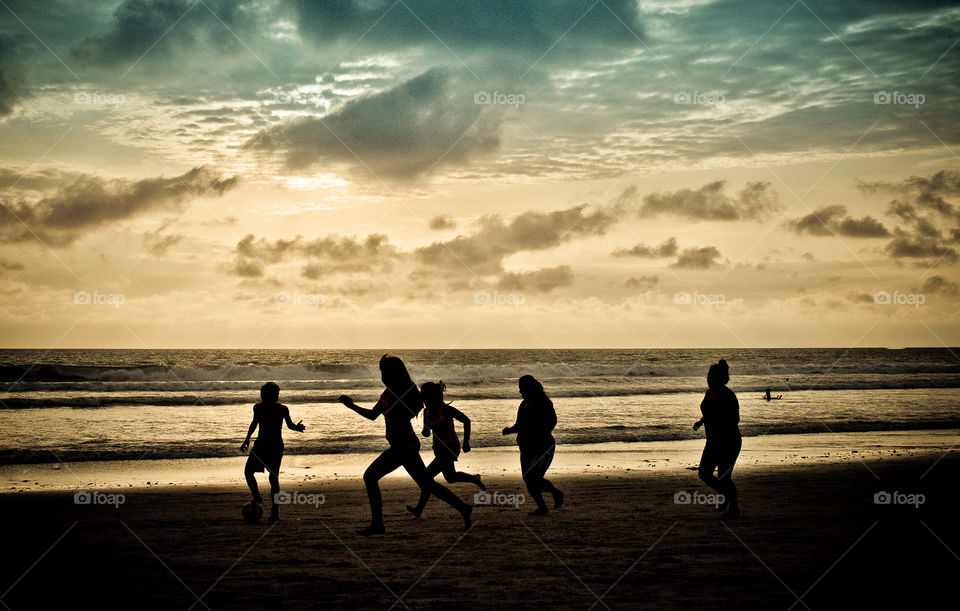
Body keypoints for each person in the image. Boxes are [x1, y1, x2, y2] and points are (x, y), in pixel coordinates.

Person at [338, 355, 473, 535]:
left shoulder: (408, 390)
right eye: (381, 371)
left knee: (370, 477)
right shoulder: (387, 393)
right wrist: (351, 405)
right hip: (400, 444)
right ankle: (463, 508)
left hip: (404, 444)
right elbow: (372, 415)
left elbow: (415, 409)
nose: (382, 375)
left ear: (394, 373)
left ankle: (378, 524)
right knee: (427, 484)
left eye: (384, 371)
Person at [406, 381, 485, 518]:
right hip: (438, 448)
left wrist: (466, 442)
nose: (423, 398)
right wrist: (423, 431)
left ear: (433, 396)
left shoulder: (446, 409)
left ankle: (420, 509)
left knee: (427, 477)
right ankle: (474, 478)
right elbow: (426, 432)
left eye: (425, 395)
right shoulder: (426, 412)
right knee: (450, 477)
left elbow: (466, 420)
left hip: (450, 447)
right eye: (422, 395)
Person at [241, 382, 305, 521]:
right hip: (270, 445)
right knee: (270, 477)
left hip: (268, 445)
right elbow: (256, 423)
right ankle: (272, 510)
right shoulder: (275, 408)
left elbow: (288, 425)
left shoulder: (268, 408)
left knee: (259, 474)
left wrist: (247, 439)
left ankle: (263, 502)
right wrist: (247, 439)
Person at [502, 375, 564, 515]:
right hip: (526, 447)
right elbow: (519, 425)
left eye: (521, 388)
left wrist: (538, 433)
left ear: (529, 388)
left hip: (543, 446)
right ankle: (542, 506)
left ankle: (555, 493)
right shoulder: (523, 405)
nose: (520, 392)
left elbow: (552, 422)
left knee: (534, 477)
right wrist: (509, 430)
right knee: (528, 478)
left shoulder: (544, 402)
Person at [693, 359, 742, 518]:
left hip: (729, 441)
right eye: (707, 376)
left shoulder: (728, 395)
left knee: (724, 476)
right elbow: (708, 412)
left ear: (719, 378)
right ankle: (725, 495)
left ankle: (733, 508)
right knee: (704, 473)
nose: (707, 379)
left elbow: (735, 419)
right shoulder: (708, 393)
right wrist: (700, 422)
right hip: (713, 441)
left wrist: (719, 423)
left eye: (710, 376)